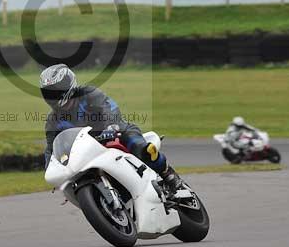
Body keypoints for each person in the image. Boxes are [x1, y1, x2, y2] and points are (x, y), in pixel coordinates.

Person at [40, 63, 185, 193]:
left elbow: (109, 108)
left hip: (115, 132)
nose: (53, 96)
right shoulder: (53, 121)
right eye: (48, 93)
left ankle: (168, 174)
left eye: (55, 91)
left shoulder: (88, 94)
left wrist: (111, 126)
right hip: (87, 153)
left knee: (142, 148)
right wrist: (52, 170)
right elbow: (51, 150)